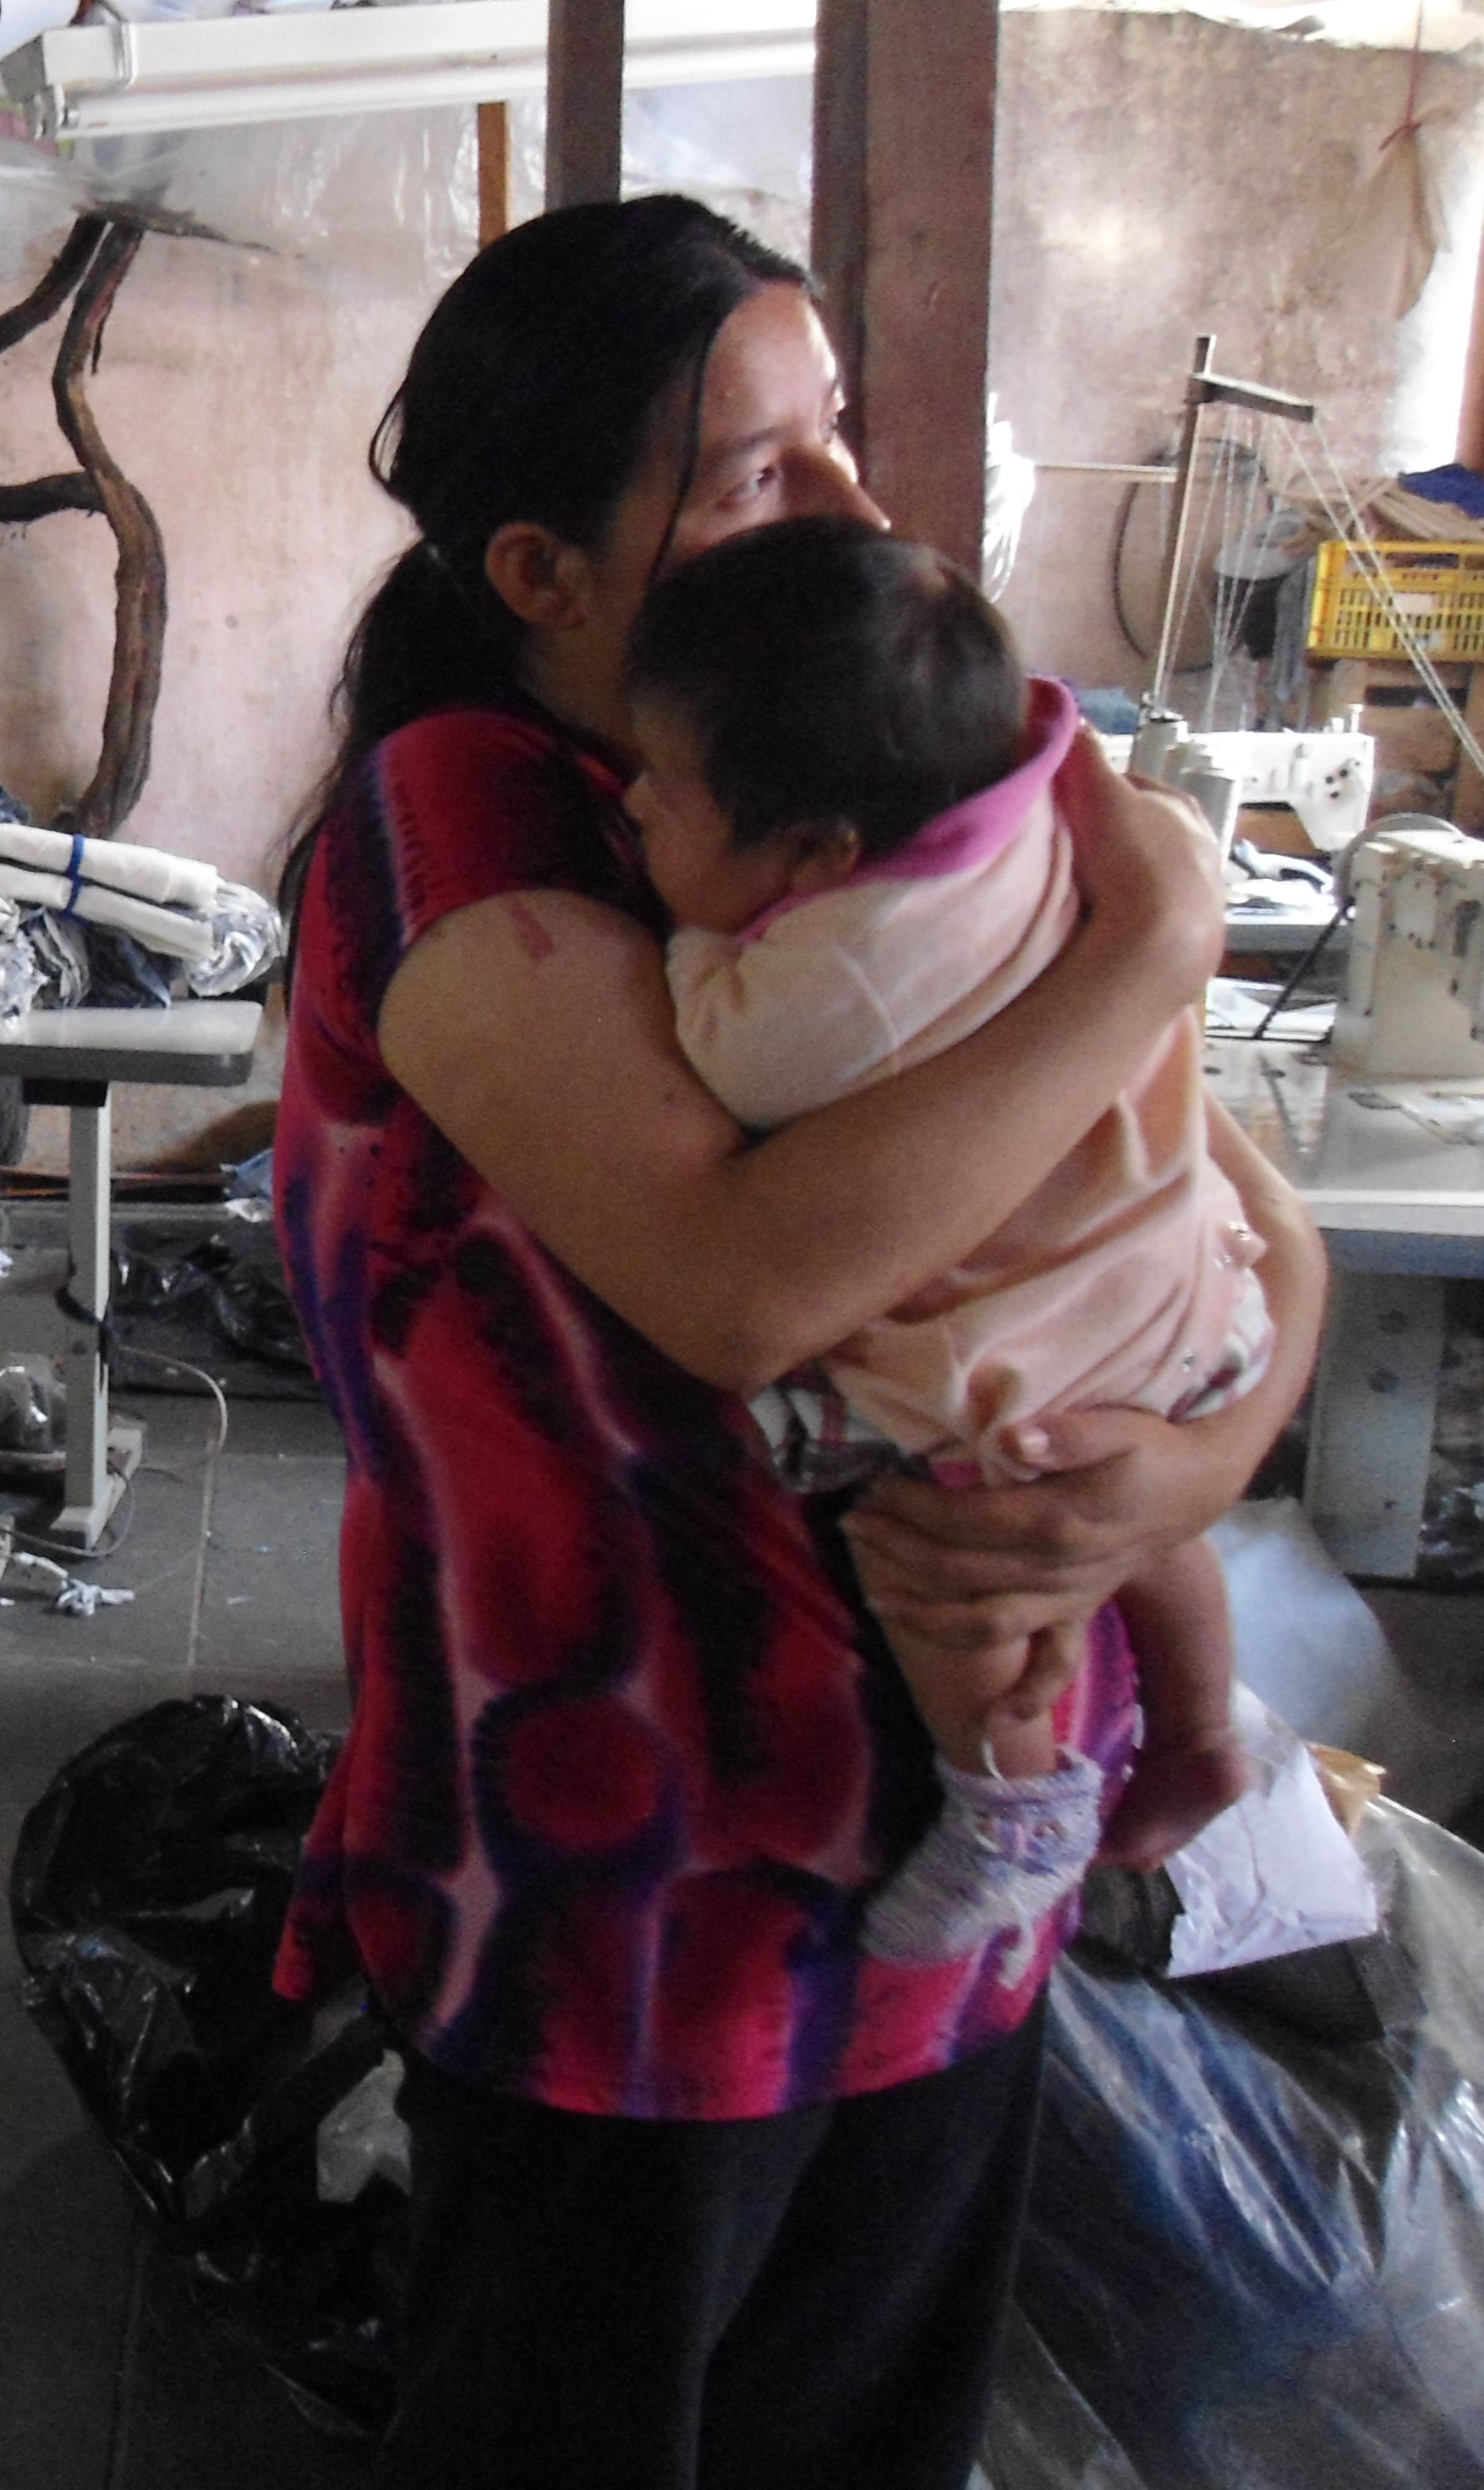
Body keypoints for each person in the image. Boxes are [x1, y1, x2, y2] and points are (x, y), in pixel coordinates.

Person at [270, 196, 1326, 2490]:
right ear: (544, 573)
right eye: (757, 471)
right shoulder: (470, 835)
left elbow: (1218, 1214)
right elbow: (748, 1285)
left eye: (834, 435)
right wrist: (1147, 951)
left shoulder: (880, 785)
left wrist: (1202, 1462)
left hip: (952, 1874)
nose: (851, 503)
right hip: (626, 1907)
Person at [622, 516, 1262, 1963]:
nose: (634, 810)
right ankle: (1208, 1723)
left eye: (661, 790)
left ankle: (1008, 1795)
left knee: (953, 1565)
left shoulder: (835, 974)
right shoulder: (1022, 797)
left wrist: (680, 953)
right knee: (1149, 1512)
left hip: (1031, 1335)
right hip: (1178, 1274)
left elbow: (726, 1064)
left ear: (819, 853)